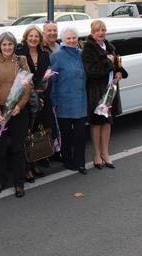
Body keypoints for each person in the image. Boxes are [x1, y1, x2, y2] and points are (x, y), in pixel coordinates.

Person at [0, 32, 32, 198]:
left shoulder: (22, 60)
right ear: (0, 46)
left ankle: (19, 183)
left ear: (14, 45)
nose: (7, 47)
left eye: (10, 44)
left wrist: (20, 106)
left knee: (18, 149)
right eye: (4, 45)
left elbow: (28, 85)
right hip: (0, 113)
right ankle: (0, 180)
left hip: (18, 112)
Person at [81, 20, 128, 169]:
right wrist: (108, 63)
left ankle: (105, 153)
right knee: (97, 123)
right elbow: (91, 71)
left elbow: (117, 65)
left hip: (111, 90)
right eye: (97, 30)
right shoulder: (88, 49)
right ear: (92, 32)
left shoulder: (109, 46)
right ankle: (96, 154)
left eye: (103, 30)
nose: (101, 33)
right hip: (97, 91)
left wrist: (120, 72)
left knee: (107, 122)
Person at [16, 25, 56, 182]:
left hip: (42, 100)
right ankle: (26, 167)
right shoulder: (20, 55)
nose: (33, 39)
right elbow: (20, 79)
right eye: (30, 36)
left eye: (36, 37)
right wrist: (33, 95)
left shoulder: (45, 55)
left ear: (40, 39)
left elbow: (46, 77)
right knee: (26, 133)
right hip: (26, 101)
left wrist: (42, 95)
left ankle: (35, 161)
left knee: (39, 132)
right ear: (26, 38)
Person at [51, 27, 88, 174]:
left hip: (80, 101)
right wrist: (54, 101)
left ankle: (80, 163)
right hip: (63, 102)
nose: (72, 41)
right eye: (68, 38)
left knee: (80, 135)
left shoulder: (81, 54)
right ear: (62, 40)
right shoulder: (56, 56)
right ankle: (67, 160)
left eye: (74, 38)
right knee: (66, 135)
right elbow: (52, 81)